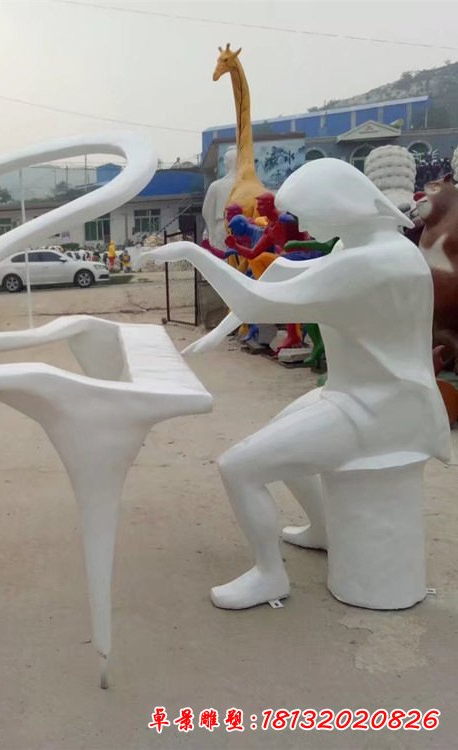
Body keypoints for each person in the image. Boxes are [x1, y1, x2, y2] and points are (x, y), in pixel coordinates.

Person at [145, 158, 452, 609]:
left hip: (379, 411)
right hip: (353, 394)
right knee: (285, 439)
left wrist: (192, 253)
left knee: (239, 467)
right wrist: (221, 329)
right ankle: (324, 530)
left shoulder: (373, 262)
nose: (299, 224)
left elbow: (259, 300)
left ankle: (269, 575)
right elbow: (283, 274)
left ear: (338, 204)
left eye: (304, 212)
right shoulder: (364, 247)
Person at [202, 147, 238, 251]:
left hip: (221, 227)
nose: (225, 163)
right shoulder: (247, 185)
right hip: (243, 226)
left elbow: (206, 212)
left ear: (229, 162)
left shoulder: (216, 186)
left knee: (221, 257)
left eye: (225, 161)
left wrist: (211, 230)